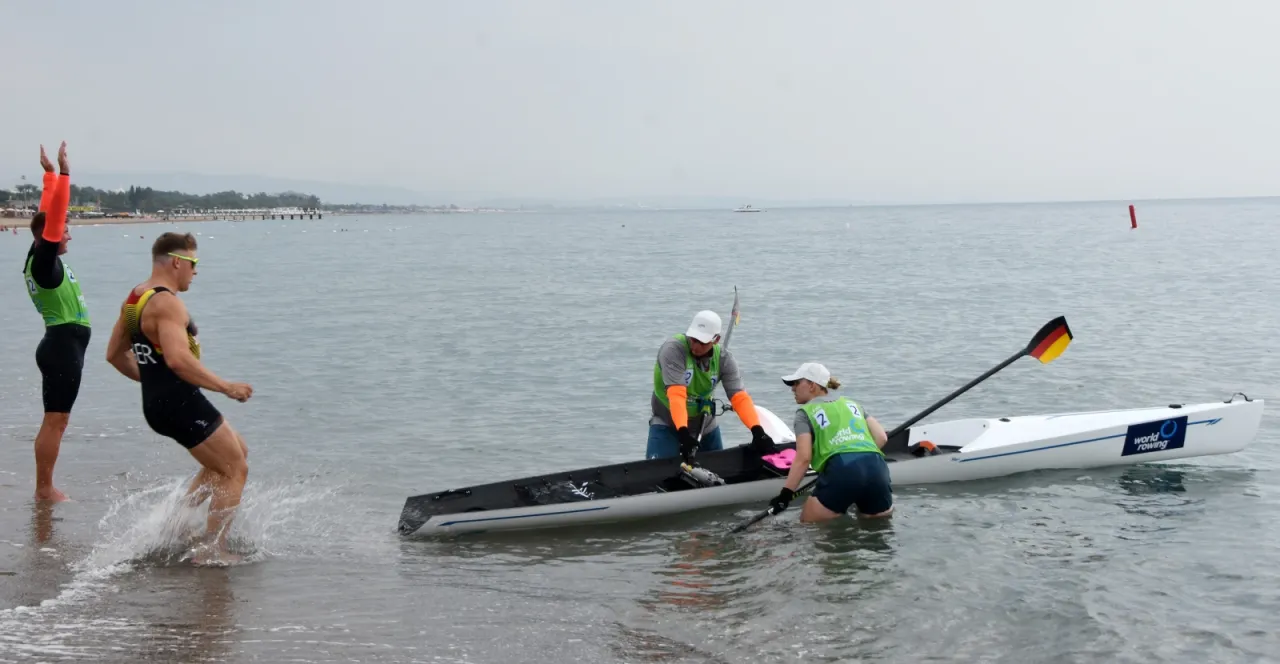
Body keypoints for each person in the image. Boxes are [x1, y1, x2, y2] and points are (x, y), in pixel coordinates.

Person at [104, 232, 254, 564]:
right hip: (178, 400)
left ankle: (174, 525)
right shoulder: (167, 303)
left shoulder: (135, 299)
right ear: (176, 262)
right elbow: (178, 360)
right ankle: (213, 551)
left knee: (235, 453)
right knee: (235, 468)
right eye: (193, 263)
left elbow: (114, 355)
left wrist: (154, 384)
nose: (195, 271)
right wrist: (226, 387)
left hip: (160, 402)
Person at [21, 142, 88, 503]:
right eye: (65, 231)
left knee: (58, 419)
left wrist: (49, 177)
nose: (68, 235)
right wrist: (64, 173)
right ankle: (44, 489)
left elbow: (46, 215)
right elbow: (52, 218)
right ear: (49, 236)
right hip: (62, 347)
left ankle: (44, 487)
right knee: (55, 420)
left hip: (62, 347)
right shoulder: (44, 263)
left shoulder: (37, 255)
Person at [768, 362, 893, 523]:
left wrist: (785, 494)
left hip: (841, 470)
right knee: (876, 527)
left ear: (812, 385)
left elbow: (804, 458)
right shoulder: (852, 404)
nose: (793, 388)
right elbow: (882, 438)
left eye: (796, 383)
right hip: (877, 468)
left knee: (808, 526)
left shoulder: (804, 413)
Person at [648, 309, 776, 462]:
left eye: (702, 342)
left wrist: (757, 430)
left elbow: (739, 397)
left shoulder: (724, 359)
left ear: (716, 339)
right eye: (693, 339)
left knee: (718, 471)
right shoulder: (673, 350)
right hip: (667, 423)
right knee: (658, 468)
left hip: (705, 424)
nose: (695, 346)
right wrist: (683, 432)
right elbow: (676, 395)